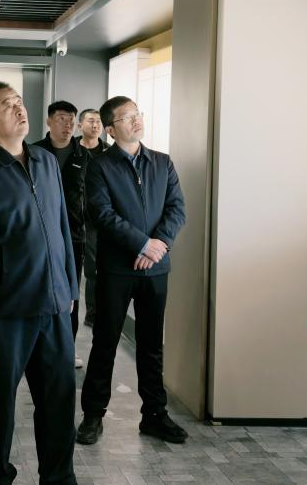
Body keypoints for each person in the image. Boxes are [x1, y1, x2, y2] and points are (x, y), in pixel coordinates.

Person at [0, 81, 78, 485]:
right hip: (6, 312)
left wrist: (70, 288)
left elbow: (62, 228)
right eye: (7, 105)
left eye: (19, 102)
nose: (19, 109)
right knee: (1, 406)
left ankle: (59, 477)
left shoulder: (46, 161)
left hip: (54, 306)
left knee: (59, 400)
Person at [76, 96, 187, 446]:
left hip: (156, 268)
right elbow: (102, 214)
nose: (136, 120)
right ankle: (93, 415)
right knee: (105, 342)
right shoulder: (100, 166)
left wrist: (158, 245)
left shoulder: (162, 162)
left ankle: (154, 415)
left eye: (137, 114)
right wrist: (142, 244)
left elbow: (176, 208)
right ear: (111, 130)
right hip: (117, 269)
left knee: (152, 345)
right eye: (127, 117)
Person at [32, 101, 91, 366]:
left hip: (73, 236)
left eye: (71, 120)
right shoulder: (33, 152)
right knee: (37, 288)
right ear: (49, 121)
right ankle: (35, 346)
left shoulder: (84, 156)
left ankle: (67, 346)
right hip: (38, 235)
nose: (67, 125)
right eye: (61, 119)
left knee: (71, 293)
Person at [75, 108, 110, 328]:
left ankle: (93, 315)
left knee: (94, 269)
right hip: (74, 217)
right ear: (80, 125)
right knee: (73, 268)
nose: (95, 125)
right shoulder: (71, 150)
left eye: (98, 121)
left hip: (99, 219)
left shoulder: (109, 152)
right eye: (90, 121)